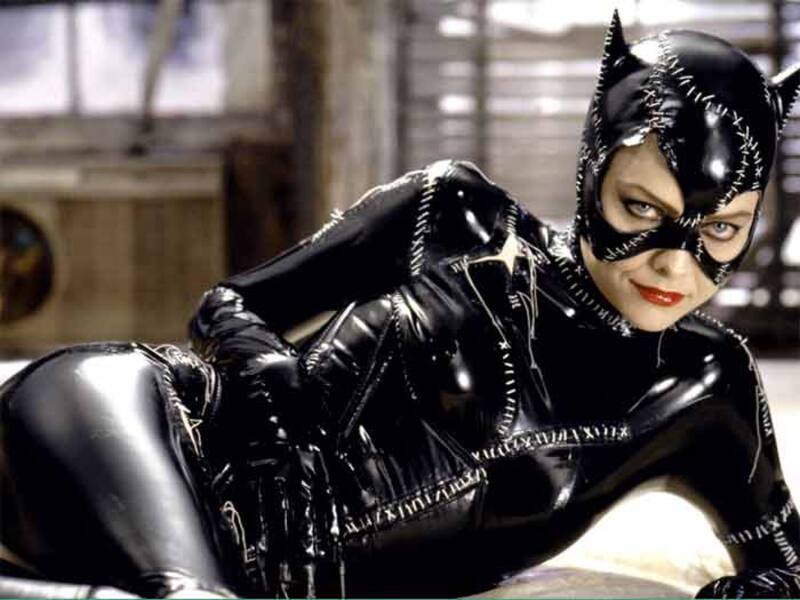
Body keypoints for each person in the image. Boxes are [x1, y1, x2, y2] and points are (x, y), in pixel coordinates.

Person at [1, 12, 799, 598]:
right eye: (640, 209)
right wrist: (274, 388)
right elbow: (229, 305)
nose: (675, 263)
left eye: (722, 230)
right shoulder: (455, 213)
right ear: (593, 165)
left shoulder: (710, 387)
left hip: (198, 565)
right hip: (132, 421)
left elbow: (784, 566)